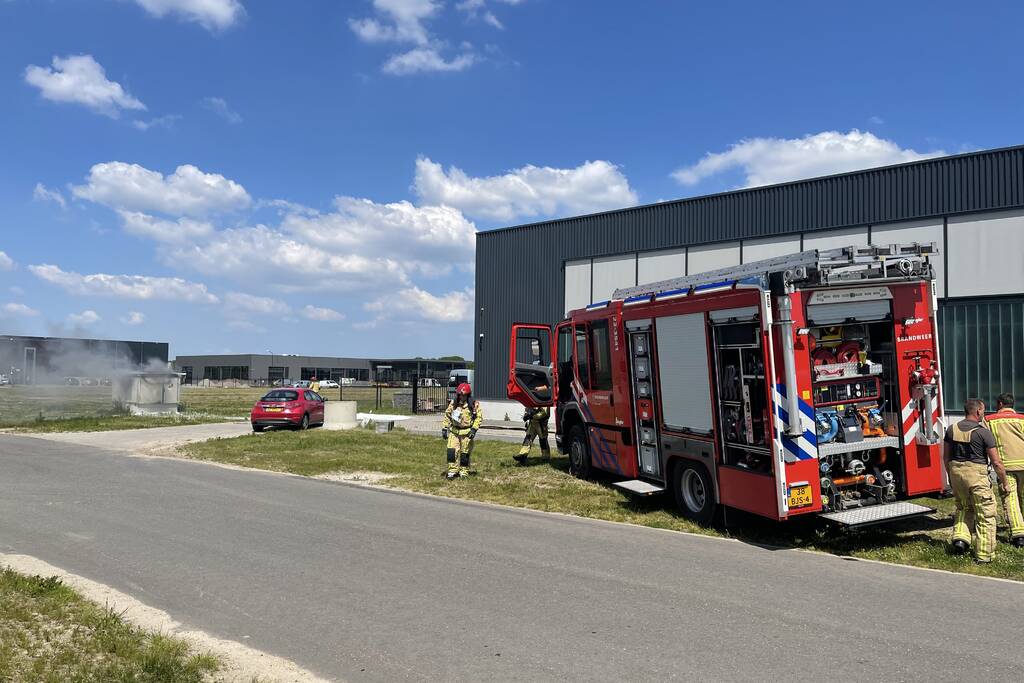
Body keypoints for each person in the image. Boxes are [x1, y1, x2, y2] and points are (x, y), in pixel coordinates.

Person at [943, 398, 1009, 563]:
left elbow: (945, 457)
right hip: (976, 476)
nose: (984, 414)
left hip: (956, 473)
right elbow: (996, 462)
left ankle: (960, 539)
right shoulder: (983, 432)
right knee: (985, 514)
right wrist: (1004, 481)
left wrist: (951, 476)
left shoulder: (951, 429)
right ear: (978, 411)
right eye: (983, 411)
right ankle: (984, 555)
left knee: (963, 507)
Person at [986, 393, 1024, 547]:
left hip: (1005, 467)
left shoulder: (990, 420)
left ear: (1000, 403)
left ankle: (1019, 534)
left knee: (1011, 498)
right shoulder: (1022, 419)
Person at [442, 382, 483, 479]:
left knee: (465, 453)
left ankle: (464, 471)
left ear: (468, 395)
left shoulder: (473, 405)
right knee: (451, 451)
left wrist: (474, 429)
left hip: (467, 433)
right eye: (460, 395)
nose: (462, 397)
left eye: (464, 395)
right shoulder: (454, 404)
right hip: (454, 431)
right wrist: (444, 428)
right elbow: (447, 415)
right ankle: (452, 470)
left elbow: (479, 417)